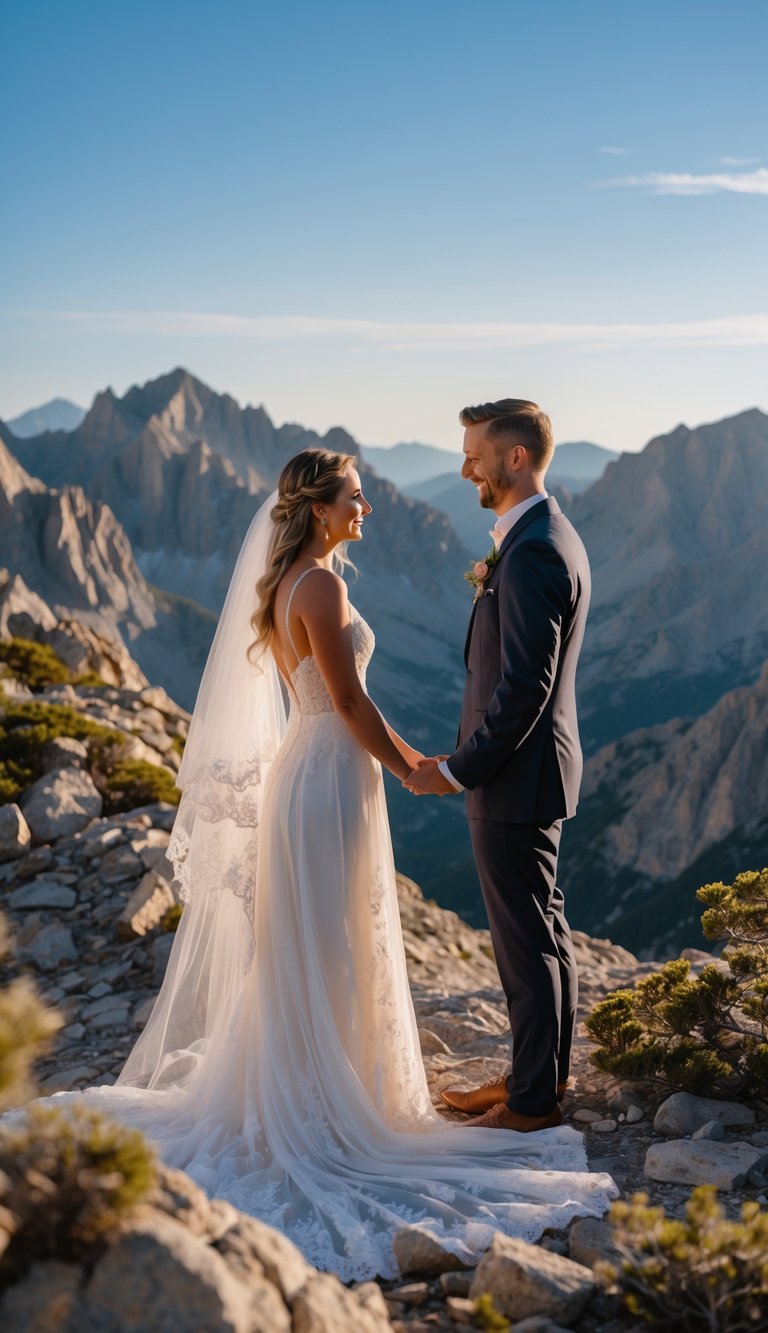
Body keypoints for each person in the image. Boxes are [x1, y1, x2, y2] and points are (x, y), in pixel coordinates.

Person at [3, 446, 615, 1281]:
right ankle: (326, 1105)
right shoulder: (321, 585)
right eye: (356, 497)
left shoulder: (302, 574)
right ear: (320, 507)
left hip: (320, 771)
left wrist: (412, 760)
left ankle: (329, 1080)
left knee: (325, 938)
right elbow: (349, 700)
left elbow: (337, 699)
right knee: (331, 936)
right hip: (328, 776)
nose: (369, 508)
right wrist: (413, 768)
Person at [405, 400, 589, 1135]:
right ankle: (536, 1075)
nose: (463, 467)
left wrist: (457, 769)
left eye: (474, 452)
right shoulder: (543, 534)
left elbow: (525, 686)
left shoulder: (536, 546)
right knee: (542, 929)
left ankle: (532, 1103)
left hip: (514, 776)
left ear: (515, 457)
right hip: (531, 773)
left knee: (526, 941)